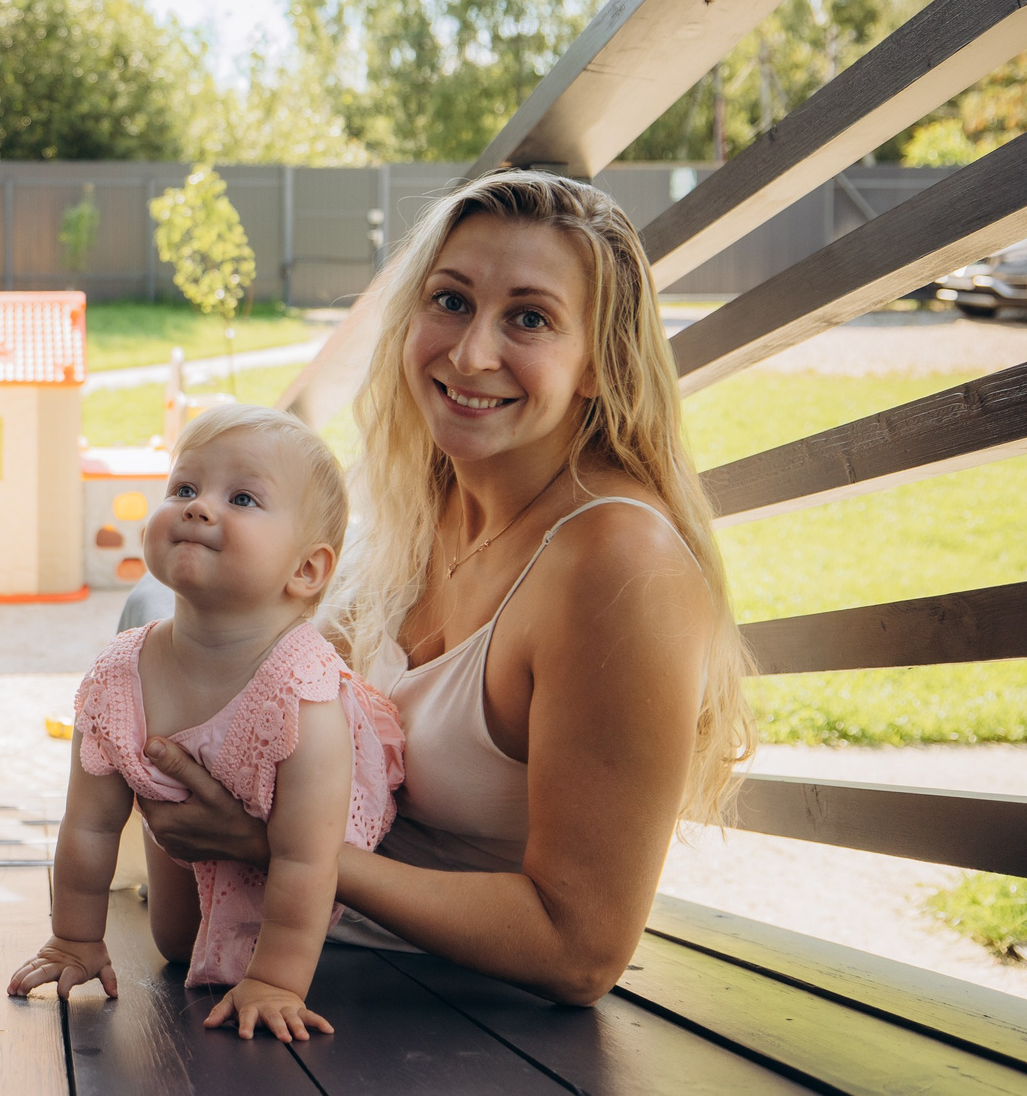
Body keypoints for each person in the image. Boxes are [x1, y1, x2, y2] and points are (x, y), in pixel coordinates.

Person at [131, 171, 752, 1005]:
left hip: (446, 1007)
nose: (469, 353)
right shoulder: (424, 502)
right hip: (290, 954)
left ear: (600, 363)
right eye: (450, 301)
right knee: (156, 611)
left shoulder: (618, 564)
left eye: (528, 318)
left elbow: (582, 951)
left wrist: (272, 845)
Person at [9, 406, 405, 1042]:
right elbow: (88, 822)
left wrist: (277, 981)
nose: (198, 508)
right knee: (175, 943)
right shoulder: (121, 676)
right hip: (193, 855)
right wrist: (73, 939)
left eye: (242, 497)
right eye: (184, 489)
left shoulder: (302, 692)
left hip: (310, 899)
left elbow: (308, 860)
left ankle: (271, 969)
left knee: (267, 949)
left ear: (306, 569)